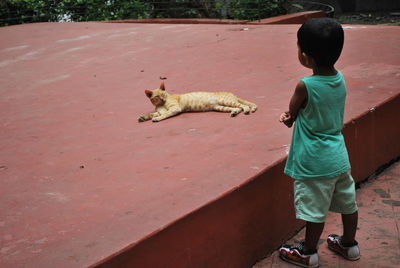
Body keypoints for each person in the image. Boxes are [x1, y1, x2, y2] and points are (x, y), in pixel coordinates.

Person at [278, 18, 360, 268]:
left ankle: (308, 251)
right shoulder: (340, 79)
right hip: (338, 155)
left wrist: (286, 118)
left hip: (314, 160)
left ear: (306, 56)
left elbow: (291, 116)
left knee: (314, 209)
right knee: (348, 202)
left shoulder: (305, 85)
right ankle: (349, 245)